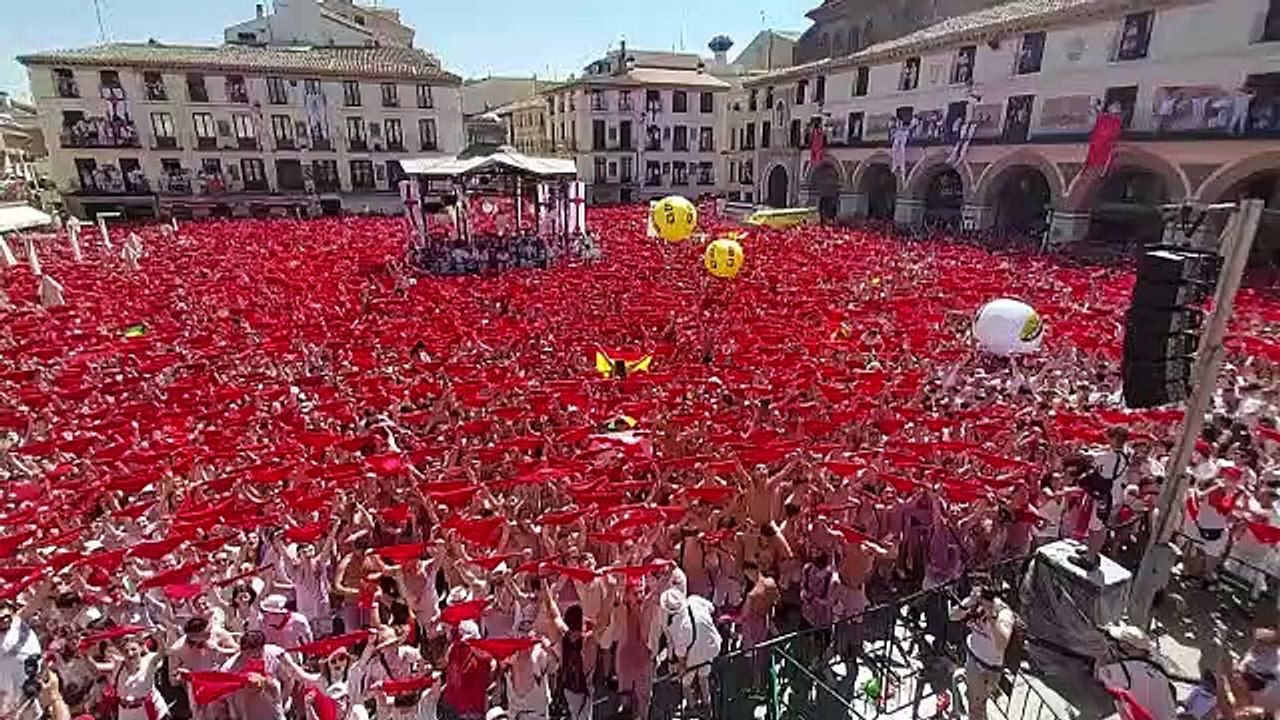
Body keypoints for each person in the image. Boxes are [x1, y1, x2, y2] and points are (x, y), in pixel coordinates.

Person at [950, 585, 1017, 720]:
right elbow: (952, 616)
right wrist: (968, 603)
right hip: (973, 659)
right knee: (976, 704)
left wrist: (991, 614)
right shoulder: (975, 605)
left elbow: (1000, 645)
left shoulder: (1004, 615)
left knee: (975, 707)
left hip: (987, 668)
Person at [1095, 623, 1178, 720]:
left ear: (1126, 647)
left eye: (1114, 644)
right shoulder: (1155, 665)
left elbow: (1095, 676)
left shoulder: (1125, 670)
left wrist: (1100, 656)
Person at [655, 588, 721, 711]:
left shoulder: (677, 625)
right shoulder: (695, 600)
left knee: (686, 682)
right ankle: (707, 706)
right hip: (711, 645)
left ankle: (691, 707)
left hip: (695, 652)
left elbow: (681, 655)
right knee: (703, 676)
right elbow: (713, 609)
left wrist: (681, 669)